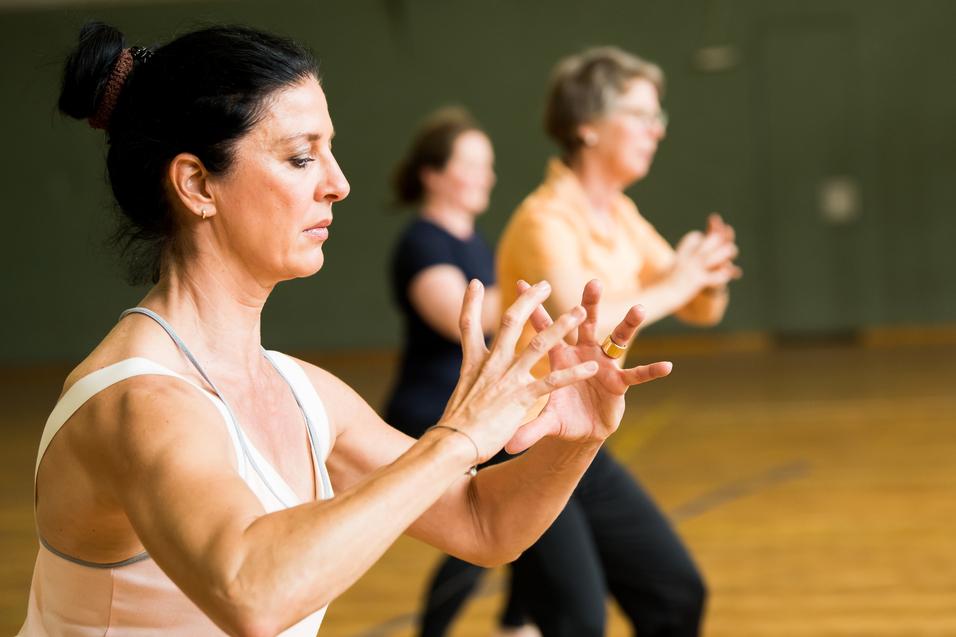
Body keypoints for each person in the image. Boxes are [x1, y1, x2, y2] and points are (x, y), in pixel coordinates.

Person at [18, 24, 674, 637]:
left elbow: (483, 521)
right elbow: (251, 590)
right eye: (303, 158)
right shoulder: (137, 402)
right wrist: (456, 439)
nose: (339, 184)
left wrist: (578, 439)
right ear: (196, 184)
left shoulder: (308, 394)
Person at [495, 46, 744, 637]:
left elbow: (702, 308)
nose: (655, 129)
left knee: (675, 594)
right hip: (523, 442)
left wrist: (704, 273)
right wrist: (678, 280)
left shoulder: (622, 215)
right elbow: (584, 325)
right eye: (638, 113)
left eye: (657, 116)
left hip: (581, 441)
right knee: (578, 622)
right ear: (586, 126)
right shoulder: (544, 220)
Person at [383, 108, 537, 637]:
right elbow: (461, 318)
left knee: (523, 509)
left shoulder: (477, 244)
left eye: (487, 165)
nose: (486, 176)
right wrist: (544, 284)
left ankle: (516, 622)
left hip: (475, 406)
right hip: (432, 410)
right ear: (434, 174)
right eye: (472, 164)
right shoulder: (422, 242)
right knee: (482, 524)